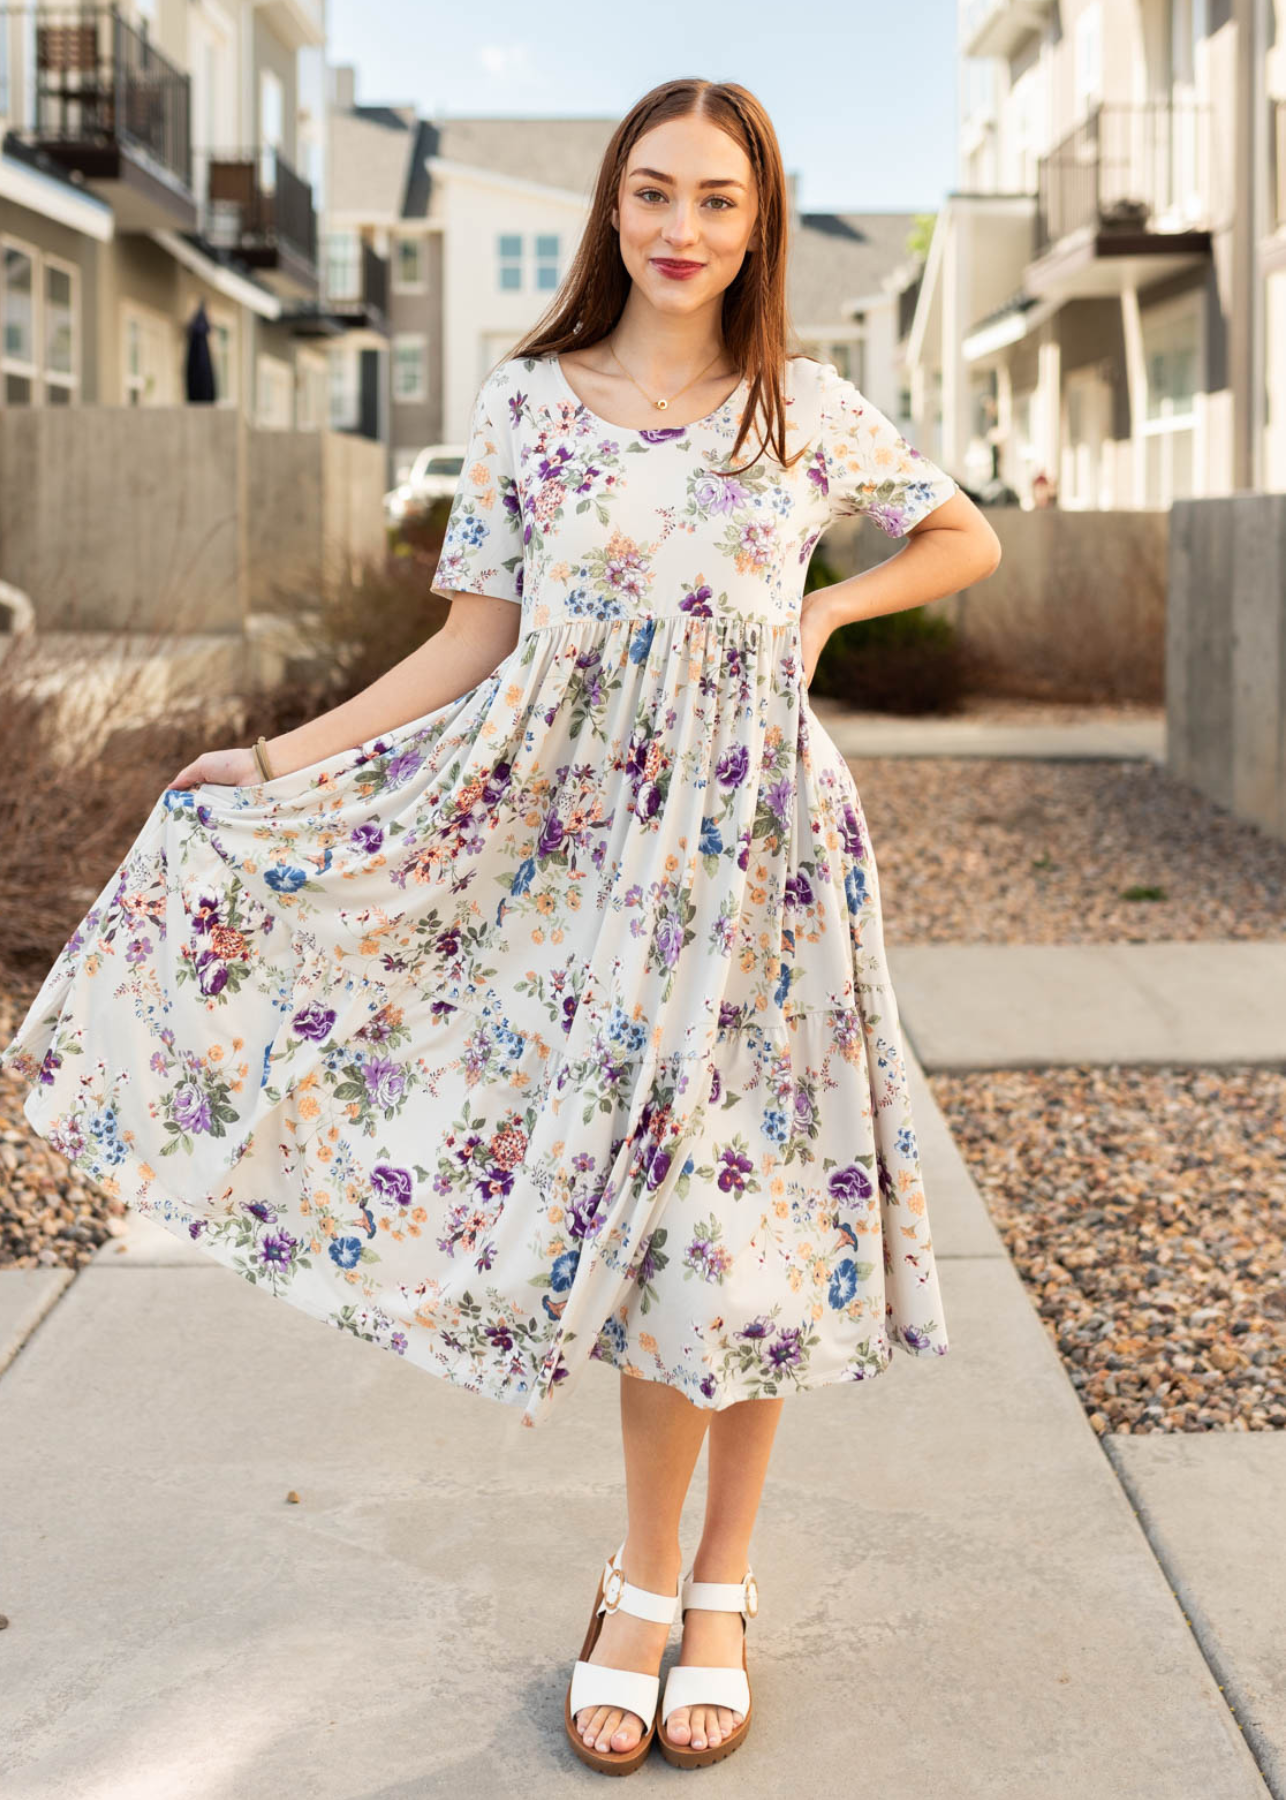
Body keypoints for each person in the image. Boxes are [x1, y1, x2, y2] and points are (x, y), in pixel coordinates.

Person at [1, 76, 1001, 1776]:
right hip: (582, 857)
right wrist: (276, 757)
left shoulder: (802, 408)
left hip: (764, 858)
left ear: (759, 226)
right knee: (640, 1233)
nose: (681, 228)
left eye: (717, 202)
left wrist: (826, 604)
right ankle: (638, 1583)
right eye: (652, 194)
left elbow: (962, 535)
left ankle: (718, 1595)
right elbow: (468, 641)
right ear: (612, 210)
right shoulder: (533, 405)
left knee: (735, 1221)